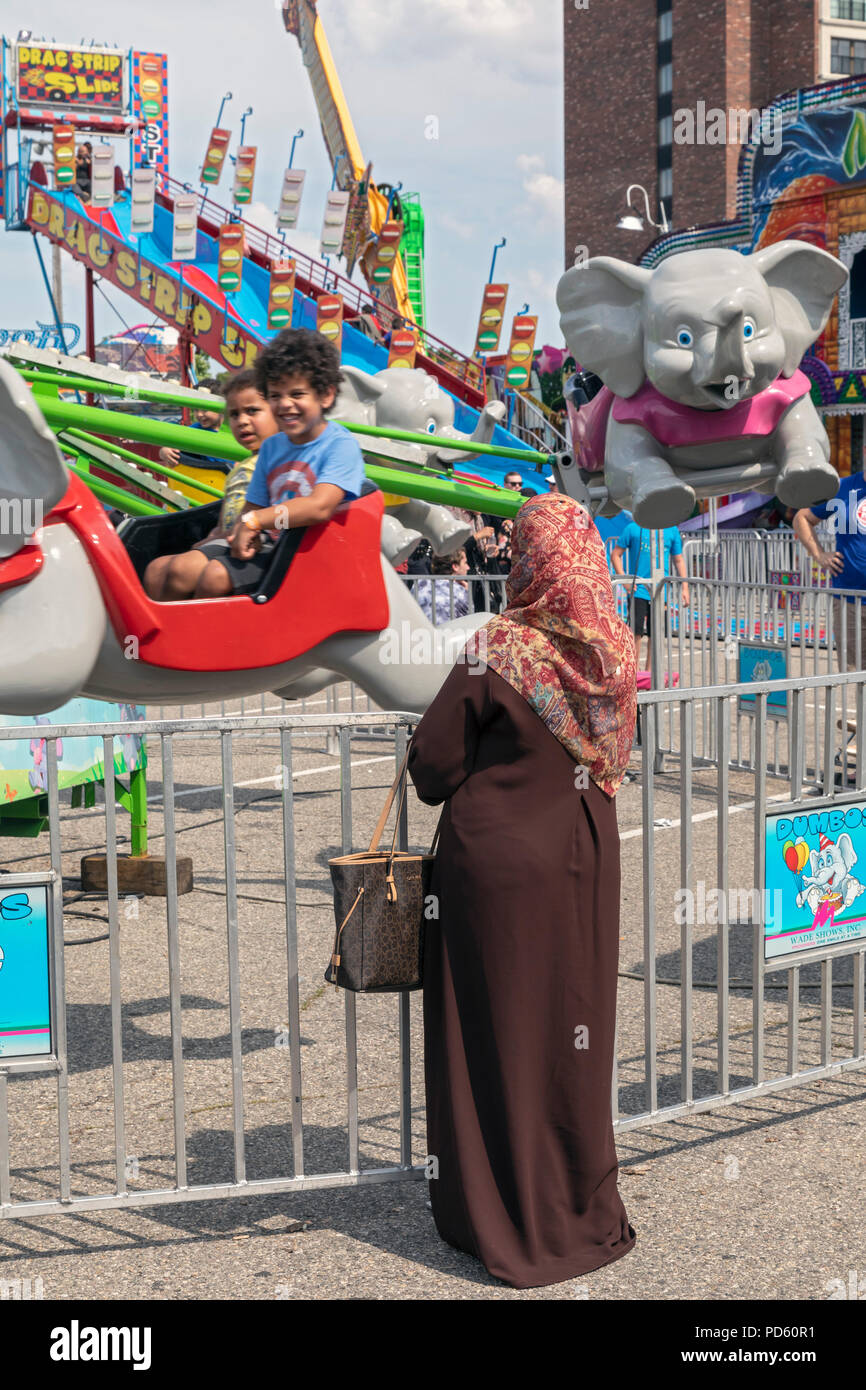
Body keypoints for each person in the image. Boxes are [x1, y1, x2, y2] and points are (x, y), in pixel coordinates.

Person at [407, 491, 637, 1289]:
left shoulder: (500, 648)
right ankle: (576, 1209)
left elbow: (432, 769)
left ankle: (498, 1213)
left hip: (498, 873)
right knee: (570, 1027)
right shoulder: (615, 648)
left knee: (495, 1031)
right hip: (585, 864)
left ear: (530, 561)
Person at [194, 328, 366, 597]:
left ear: (326, 395)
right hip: (270, 549)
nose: (285, 404)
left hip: (310, 559)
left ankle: (203, 639)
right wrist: (238, 529)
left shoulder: (340, 446)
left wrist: (254, 522)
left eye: (297, 394)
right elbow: (253, 504)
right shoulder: (273, 447)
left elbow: (319, 506)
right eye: (275, 395)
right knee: (170, 570)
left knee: (215, 577)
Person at [143, 370, 278, 601]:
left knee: (180, 570)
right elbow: (229, 509)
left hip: (255, 541)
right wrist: (212, 535)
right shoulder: (244, 465)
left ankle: (185, 630)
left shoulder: (277, 461)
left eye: (252, 411)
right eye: (235, 414)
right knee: (156, 569)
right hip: (226, 535)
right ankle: (157, 631)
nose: (243, 421)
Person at [794, 478, 866, 670]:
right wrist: (819, 554)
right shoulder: (841, 487)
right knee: (852, 672)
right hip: (849, 601)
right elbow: (802, 517)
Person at [610, 518, 689, 670]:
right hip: (638, 589)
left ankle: (651, 674)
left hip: (661, 592)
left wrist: (685, 587)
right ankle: (633, 672)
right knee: (635, 633)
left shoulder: (671, 529)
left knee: (657, 633)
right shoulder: (633, 528)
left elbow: (678, 560)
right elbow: (615, 555)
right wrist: (625, 579)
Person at [159, 378, 226, 471]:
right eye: (195, 409)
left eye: (205, 409)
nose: (199, 414)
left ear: (221, 406)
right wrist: (164, 451)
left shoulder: (231, 429)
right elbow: (173, 443)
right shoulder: (196, 429)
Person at [414, 548, 470, 623]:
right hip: (450, 633)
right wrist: (467, 593)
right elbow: (470, 620)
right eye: (465, 563)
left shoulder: (419, 585)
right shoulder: (460, 592)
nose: (468, 567)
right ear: (455, 567)